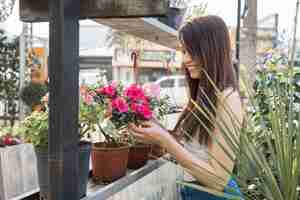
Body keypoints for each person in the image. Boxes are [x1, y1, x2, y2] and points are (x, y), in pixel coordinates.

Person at [129, 15, 244, 200]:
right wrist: (153, 132)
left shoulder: (229, 99)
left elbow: (218, 181)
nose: (186, 59)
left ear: (211, 51)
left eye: (192, 51)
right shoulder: (203, 97)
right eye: (184, 51)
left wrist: (166, 140)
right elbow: (191, 153)